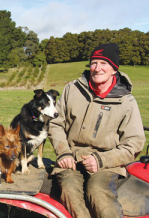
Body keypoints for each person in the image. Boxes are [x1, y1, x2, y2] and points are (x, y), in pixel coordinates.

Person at [48, 43, 145, 218]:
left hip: (107, 163)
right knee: (69, 189)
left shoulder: (126, 101)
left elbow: (134, 144)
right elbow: (55, 123)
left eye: (104, 63)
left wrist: (101, 160)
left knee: (98, 192)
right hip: (71, 158)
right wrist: (63, 153)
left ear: (114, 69)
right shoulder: (72, 89)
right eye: (94, 62)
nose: (97, 68)